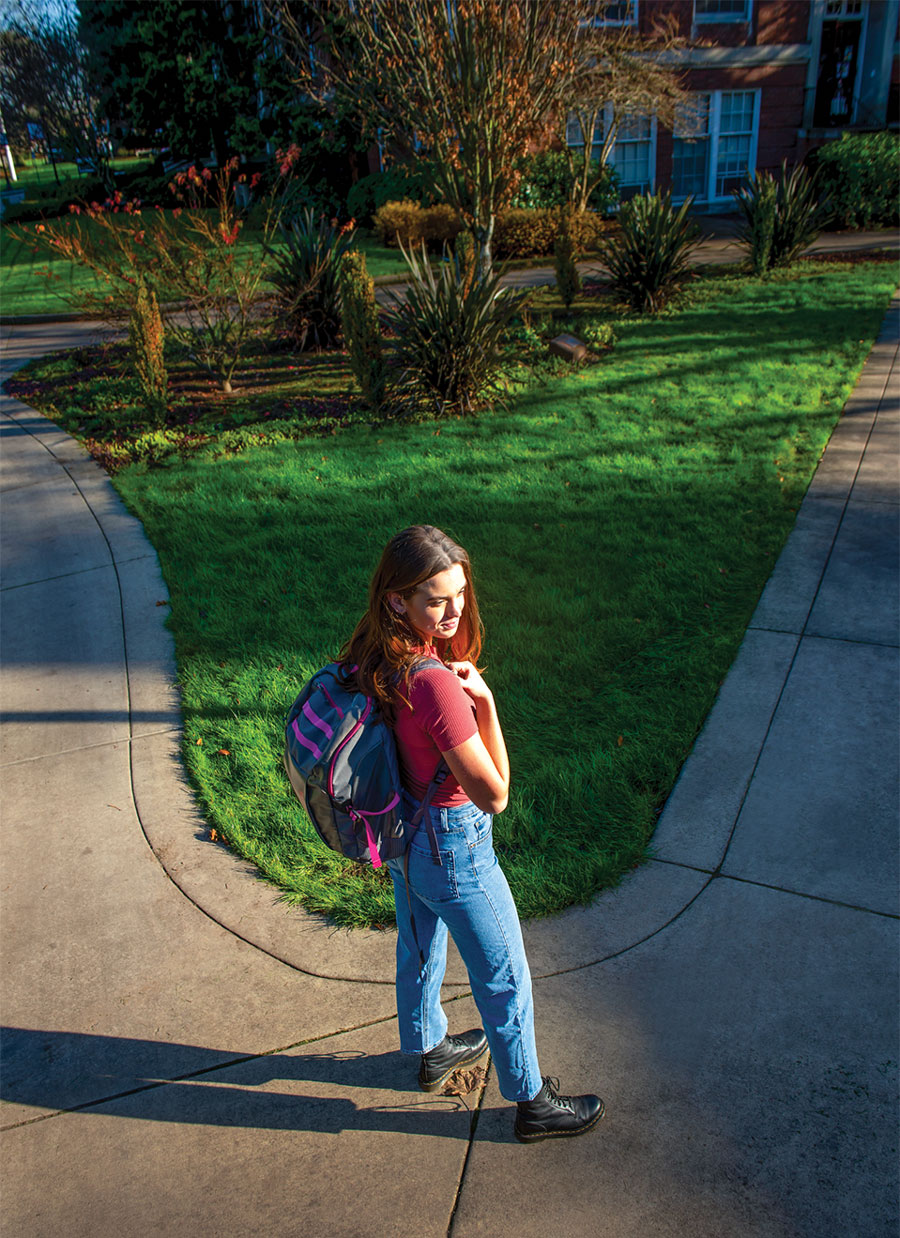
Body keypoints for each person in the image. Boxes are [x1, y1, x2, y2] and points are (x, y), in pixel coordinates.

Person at [341, 524, 604, 1142]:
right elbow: (495, 794)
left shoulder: (375, 653)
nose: (455, 609)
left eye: (459, 592)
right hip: (454, 846)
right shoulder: (435, 682)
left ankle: (430, 1048)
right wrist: (485, 706)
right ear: (397, 601)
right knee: (504, 974)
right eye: (437, 599)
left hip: (401, 830)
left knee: (420, 944)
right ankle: (534, 1103)